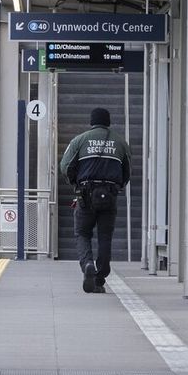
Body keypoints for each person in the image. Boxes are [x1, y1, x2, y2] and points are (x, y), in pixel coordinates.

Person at [58, 106, 131, 294]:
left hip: (85, 195)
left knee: (82, 233)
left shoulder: (79, 140)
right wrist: (118, 186)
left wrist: (75, 183)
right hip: (110, 194)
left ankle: (88, 264)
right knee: (105, 236)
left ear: (91, 122)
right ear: (108, 122)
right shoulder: (120, 142)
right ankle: (100, 276)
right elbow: (128, 171)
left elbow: (65, 166)